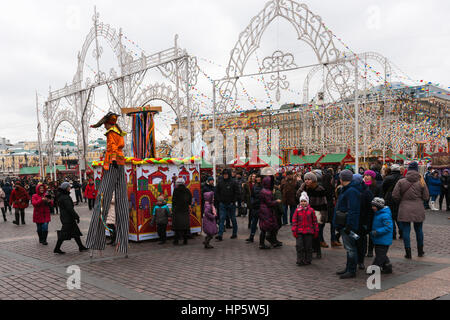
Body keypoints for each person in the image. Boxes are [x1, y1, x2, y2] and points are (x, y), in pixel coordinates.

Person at [86, 112, 129, 255]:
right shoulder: (119, 132)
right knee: (122, 202)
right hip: (121, 164)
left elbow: (112, 147)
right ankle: (123, 244)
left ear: (108, 123)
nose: (103, 126)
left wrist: (113, 160)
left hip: (112, 163)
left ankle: (95, 241)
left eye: (104, 124)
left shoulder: (111, 132)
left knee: (102, 199)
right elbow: (119, 146)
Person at [392, 162, 429, 259]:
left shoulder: (401, 181)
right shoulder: (421, 181)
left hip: (405, 208)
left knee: (406, 231)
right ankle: (420, 251)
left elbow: (395, 195)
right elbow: (426, 197)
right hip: (418, 208)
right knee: (419, 230)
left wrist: (402, 201)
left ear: (408, 170)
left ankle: (408, 253)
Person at [334, 169, 362, 279]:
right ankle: (348, 267)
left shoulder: (350, 191)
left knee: (350, 248)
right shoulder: (347, 190)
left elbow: (353, 209)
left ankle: (351, 270)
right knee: (348, 247)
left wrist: (349, 225)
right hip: (344, 222)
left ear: (342, 179)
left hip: (347, 223)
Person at [296, 172, 328, 258]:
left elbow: (324, 203)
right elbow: (298, 196)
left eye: (309, 179)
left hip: (317, 213)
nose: (307, 181)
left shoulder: (320, 189)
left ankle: (318, 251)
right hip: (306, 214)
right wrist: (301, 187)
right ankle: (311, 250)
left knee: (316, 234)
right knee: (308, 234)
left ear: (313, 180)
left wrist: (323, 216)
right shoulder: (304, 188)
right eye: (305, 179)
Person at [54, 182, 88, 254]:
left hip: (67, 217)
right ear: (66, 188)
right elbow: (69, 209)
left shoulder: (62, 195)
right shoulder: (65, 197)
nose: (70, 188)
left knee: (75, 232)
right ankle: (57, 248)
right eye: (69, 187)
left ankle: (81, 246)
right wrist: (76, 216)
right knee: (63, 234)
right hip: (67, 218)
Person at [353, 174, 374, 271]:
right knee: (355, 242)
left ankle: (360, 260)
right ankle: (356, 261)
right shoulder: (352, 190)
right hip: (356, 221)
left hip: (361, 222)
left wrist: (367, 223)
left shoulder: (366, 192)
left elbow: (370, 209)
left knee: (360, 241)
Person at [292, 192, 319, 266]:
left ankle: (308, 259)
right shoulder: (297, 210)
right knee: (299, 246)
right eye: (301, 201)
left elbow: (314, 221)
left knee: (308, 247)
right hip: (299, 231)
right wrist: (294, 229)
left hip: (309, 231)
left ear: (307, 202)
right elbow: (294, 221)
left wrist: (316, 230)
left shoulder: (311, 210)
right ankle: (300, 259)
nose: (303, 203)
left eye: (304, 201)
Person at [369, 197, 394, 274]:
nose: (372, 208)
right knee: (381, 254)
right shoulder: (378, 214)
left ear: (379, 206)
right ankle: (388, 266)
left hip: (383, 239)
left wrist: (377, 231)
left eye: (374, 206)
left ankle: (374, 268)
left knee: (380, 255)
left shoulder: (385, 215)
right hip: (379, 239)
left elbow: (388, 227)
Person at [258, 176, 282, 249]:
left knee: (264, 227)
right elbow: (269, 203)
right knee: (269, 226)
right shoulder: (267, 192)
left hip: (262, 209)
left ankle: (266, 242)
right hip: (267, 211)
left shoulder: (263, 190)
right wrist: (276, 201)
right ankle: (266, 242)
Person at [215, 169, 238, 241]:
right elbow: (217, 192)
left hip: (231, 204)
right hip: (223, 204)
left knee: (233, 219)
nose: (225, 175)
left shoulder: (233, 182)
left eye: (226, 174)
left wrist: (233, 201)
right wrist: (219, 200)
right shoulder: (220, 182)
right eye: (224, 174)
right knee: (222, 219)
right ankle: (220, 235)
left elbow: (237, 192)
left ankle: (234, 233)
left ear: (229, 174)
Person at [383, 164, 403, 239]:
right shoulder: (402, 178)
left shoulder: (388, 178)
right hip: (399, 198)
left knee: (390, 217)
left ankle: (393, 234)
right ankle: (402, 233)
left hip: (389, 198)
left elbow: (383, 188)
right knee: (399, 217)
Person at [323, 168, 341, 247]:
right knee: (323, 224)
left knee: (333, 224)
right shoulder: (325, 188)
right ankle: (325, 240)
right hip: (326, 207)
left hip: (331, 207)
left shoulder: (331, 186)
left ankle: (333, 239)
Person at [172, 178, 192, 245]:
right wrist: (188, 204)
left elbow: (173, 201)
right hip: (185, 210)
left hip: (177, 210)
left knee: (177, 226)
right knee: (185, 226)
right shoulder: (187, 190)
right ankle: (185, 240)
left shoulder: (176, 190)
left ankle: (176, 240)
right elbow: (190, 199)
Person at [246, 174, 263, 243]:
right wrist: (252, 203)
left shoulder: (263, 186)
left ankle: (262, 238)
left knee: (262, 224)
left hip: (262, 207)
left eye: (259, 177)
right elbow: (252, 195)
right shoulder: (254, 186)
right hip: (255, 206)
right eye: (257, 177)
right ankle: (251, 236)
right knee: (254, 223)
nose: (258, 179)